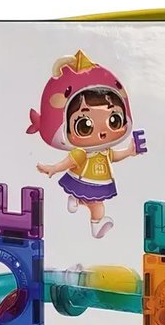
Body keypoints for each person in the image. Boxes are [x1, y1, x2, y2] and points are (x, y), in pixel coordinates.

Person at [28, 50, 145, 238]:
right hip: (84, 180)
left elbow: (113, 156)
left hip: (99, 182)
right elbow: (68, 162)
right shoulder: (82, 152)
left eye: (114, 120)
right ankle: (96, 225)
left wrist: (129, 151)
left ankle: (77, 200)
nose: (103, 132)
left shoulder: (105, 150)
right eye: (85, 126)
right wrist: (53, 168)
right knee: (97, 205)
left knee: (94, 202)